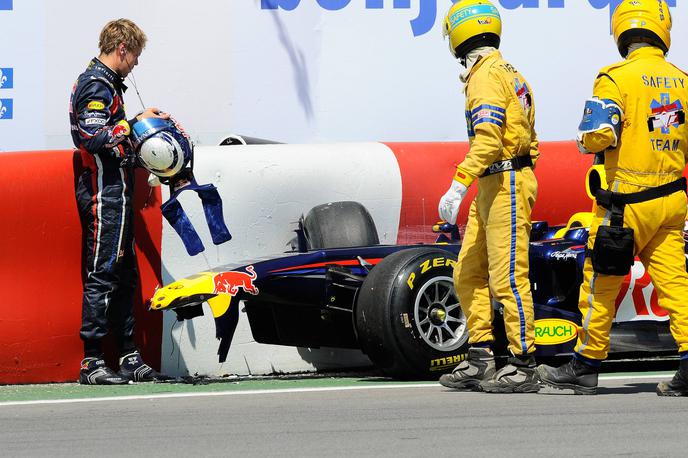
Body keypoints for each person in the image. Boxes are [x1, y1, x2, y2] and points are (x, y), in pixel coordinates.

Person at [537, 0, 688, 396]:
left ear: (621, 30)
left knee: (600, 283)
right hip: (672, 200)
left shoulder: (614, 77)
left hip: (624, 206)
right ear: (662, 29)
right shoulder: (682, 80)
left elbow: (600, 134)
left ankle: (584, 366)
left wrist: (586, 140)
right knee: (676, 284)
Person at [437, 0, 540, 393]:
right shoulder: (511, 73)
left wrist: (459, 182)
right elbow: (531, 138)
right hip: (497, 182)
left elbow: (488, 139)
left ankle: (523, 363)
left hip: (503, 183)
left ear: (459, 34)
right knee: (468, 271)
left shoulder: (484, 77)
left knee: (508, 276)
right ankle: (481, 355)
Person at [69, 18, 170, 384]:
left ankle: (128, 356)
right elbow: (91, 137)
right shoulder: (96, 84)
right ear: (122, 48)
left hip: (119, 193)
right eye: (136, 55)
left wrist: (137, 123)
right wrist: (135, 122)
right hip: (103, 194)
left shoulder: (110, 84)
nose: (137, 64)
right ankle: (92, 362)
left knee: (125, 276)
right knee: (103, 275)